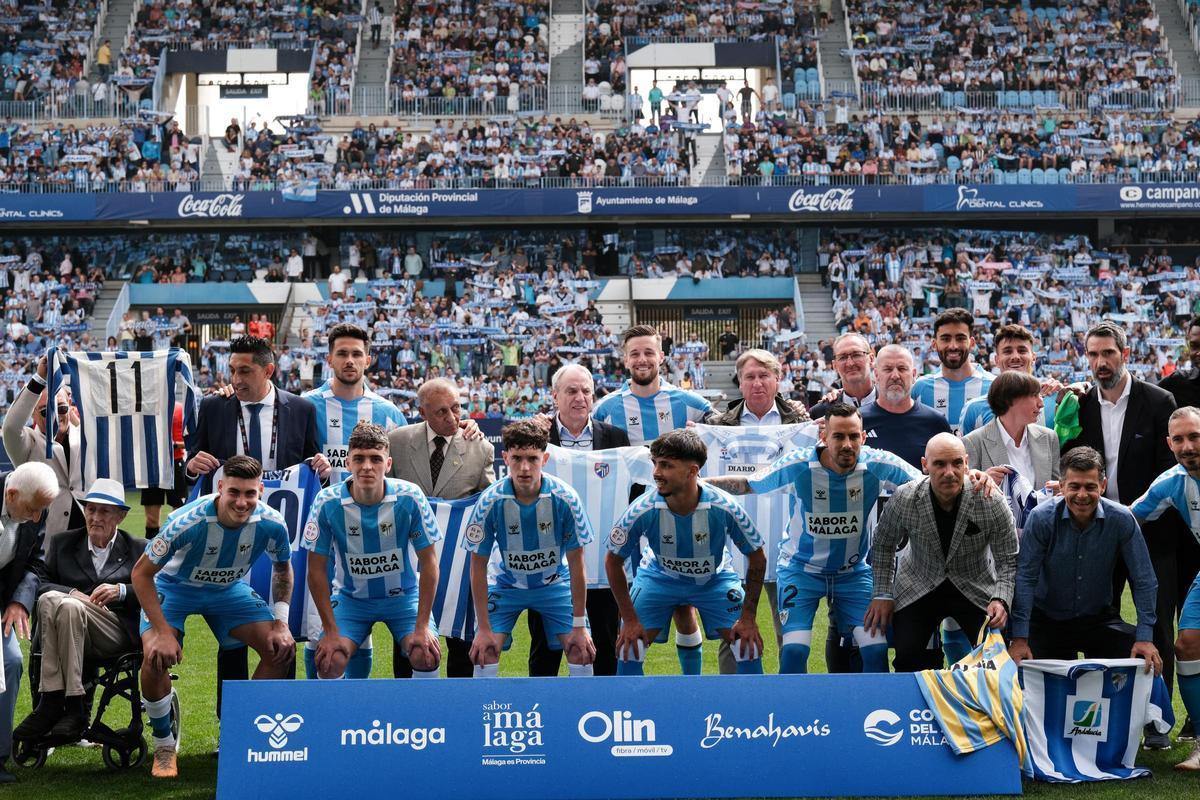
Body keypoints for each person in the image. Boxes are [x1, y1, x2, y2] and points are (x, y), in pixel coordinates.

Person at [706, 403, 921, 673]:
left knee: (876, 649)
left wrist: (971, 478)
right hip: (801, 570)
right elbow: (747, 485)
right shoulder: (798, 465)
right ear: (823, 437)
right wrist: (697, 484)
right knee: (795, 650)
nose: (847, 444)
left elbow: (925, 485)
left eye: (854, 436)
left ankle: (871, 712)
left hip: (852, 573)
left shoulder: (879, 464)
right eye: (838, 436)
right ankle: (791, 714)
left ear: (863, 438)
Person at [184, 335, 326, 725]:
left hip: (281, 535)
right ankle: (230, 727)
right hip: (228, 539)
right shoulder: (213, 407)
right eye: (231, 370)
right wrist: (191, 466)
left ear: (268, 370)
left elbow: (312, 464)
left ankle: (283, 715)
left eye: (244, 370)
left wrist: (322, 470)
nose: (236, 377)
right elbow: (190, 462)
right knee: (232, 631)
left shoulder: (301, 409)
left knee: (285, 624)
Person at [133, 455, 295, 779]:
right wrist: (163, 632)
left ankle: (237, 734)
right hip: (176, 589)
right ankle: (164, 745)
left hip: (226, 590)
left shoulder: (272, 522)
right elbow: (141, 574)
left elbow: (283, 569)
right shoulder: (187, 520)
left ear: (260, 490)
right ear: (220, 487)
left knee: (281, 650)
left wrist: (281, 621)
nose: (241, 501)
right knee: (155, 656)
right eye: (234, 492)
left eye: (250, 493)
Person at [1062, 322, 1180, 748]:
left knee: (1157, 625)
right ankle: (1108, 714)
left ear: (1124, 354)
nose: (1100, 363)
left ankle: (1156, 721)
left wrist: (1136, 517)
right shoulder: (1078, 403)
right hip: (1094, 535)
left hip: (1153, 534)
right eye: (1092, 355)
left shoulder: (1158, 400)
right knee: (1100, 619)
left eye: (1107, 353)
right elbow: (1067, 460)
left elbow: (1170, 472)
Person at [592, 324, 714, 673]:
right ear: (624, 360)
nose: (642, 359)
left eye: (649, 352)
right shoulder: (606, 408)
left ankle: (692, 684)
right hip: (631, 515)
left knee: (684, 603)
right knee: (629, 596)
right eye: (635, 353)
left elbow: (729, 431)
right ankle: (631, 685)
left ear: (661, 356)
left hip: (683, 513)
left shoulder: (690, 404)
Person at [606, 429, 767, 676]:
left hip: (713, 579)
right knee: (630, 647)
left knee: (747, 646)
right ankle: (631, 713)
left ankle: (753, 713)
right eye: (655, 463)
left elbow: (757, 557)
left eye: (666, 465)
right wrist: (629, 620)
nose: (656, 473)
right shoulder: (642, 509)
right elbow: (613, 561)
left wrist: (748, 617)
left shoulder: (724, 507)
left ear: (692, 471)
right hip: (659, 578)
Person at [300, 323, 408, 678]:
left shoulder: (388, 413)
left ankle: (355, 706)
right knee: (319, 630)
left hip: (377, 536)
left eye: (356, 354)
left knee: (359, 622)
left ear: (369, 359)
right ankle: (324, 705)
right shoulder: (305, 408)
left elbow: (403, 475)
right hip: (322, 532)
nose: (349, 360)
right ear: (329, 358)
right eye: (342, 353)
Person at [704, 349, 818, 674]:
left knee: (790, 635)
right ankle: (734, 700)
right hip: (735, 547)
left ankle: (791, 704)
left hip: (787, 546)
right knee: (734, 634)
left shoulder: (800, 424)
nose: (757, 383)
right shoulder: (717, 427)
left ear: (777, 380)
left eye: (764, 375)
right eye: (750, 377)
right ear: (739, 383)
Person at [866, 433, 1018, 672]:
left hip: (975, 585)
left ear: (967, 463)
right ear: (925, 465)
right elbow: (883, 544)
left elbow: (1008, 558)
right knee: (909, 657)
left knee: (996, 657)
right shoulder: (905, 497)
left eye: (957, 463)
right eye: (939, 464)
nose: (949, 472)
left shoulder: (990, 500)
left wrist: (1001, 598)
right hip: (918, 583)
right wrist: (883, 593)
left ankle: (984, 706)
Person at [304, 423, 442, 679]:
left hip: (403, 598)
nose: (367, 466)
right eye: (359, 459)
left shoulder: (409, 497)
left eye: (375, 459)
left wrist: (422, 626)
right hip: (351, 598)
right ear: (348, 462)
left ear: (388, 464)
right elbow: (315, 571)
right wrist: (330, 631)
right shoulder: (327, 502)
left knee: (426, 653)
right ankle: (338, 717)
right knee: (328, 659)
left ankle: (423, 717)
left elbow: (430, 563)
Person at [13, 478, 145, 742]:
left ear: (121, 515)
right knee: (60, 602)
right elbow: (40, 583)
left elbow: (159, 592)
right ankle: (69, 705)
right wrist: (72, 593)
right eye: (90, 509)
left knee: (59, 602)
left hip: (113, 633)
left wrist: (122, 591)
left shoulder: (138, 548)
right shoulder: (63, 542)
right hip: (68, 628)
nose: (95, 517)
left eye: (104, 511)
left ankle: (52, 702)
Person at [463, 421, 596, 677]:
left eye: (532, 459)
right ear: (505, 457)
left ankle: (579, 713)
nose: (525, 467)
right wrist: (482, 628)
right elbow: (477, 566)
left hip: (554, 584)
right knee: (484, 651)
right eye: (517, 458)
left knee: (581, 650)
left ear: (545, 458)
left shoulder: (566, 498)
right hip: (506, 585)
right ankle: (488, 714)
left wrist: (579, 625)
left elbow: (578, 563)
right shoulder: (490, 501)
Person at [1012, 447, 1160, 671]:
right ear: (1061, 486)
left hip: (1098, 619)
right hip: (1046, 619)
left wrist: (1145, 637)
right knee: (1021, 667)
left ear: (1103, 486)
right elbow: (1025, 577)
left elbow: (1144, 579)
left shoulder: (1121, 519)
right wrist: (1020, 637)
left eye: (1090, 487)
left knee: (1142, 657)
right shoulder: (1040, 518)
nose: (1082, 495)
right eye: (1074, 486)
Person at [389, 378, 495, 677]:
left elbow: (487, 504)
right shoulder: (397, 441)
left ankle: (456, 707)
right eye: (441, 412)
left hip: (459, 562)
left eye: (456, 408)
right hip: (410, 559)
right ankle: (410, 705)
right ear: (422, 412)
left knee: (459, 640)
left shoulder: (480, 448)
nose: (452, 418)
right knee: (411, 637)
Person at [527, 364, 629, 677]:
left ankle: (604, 712)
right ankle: (542, 715)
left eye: (586, 390)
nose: (580, 397)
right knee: (545, 651)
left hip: (601, 565)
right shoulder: (539, 438)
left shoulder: (615, 437)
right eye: (571, 391)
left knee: (604, 648)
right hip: (549, 568)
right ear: (554, 396)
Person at [0, 463, 56, 784]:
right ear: (11, 494)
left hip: (4, 599)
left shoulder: (36, 510)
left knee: (11, 661)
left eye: (42, 511)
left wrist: (20, 600)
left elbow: (36, 561)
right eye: (33, 510)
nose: (37, 518)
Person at [1, 356, 83, 536]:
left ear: (70, 405)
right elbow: (10, 428)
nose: (55, 416)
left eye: (60, 409)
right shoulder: (28, 442)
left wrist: (68, 411)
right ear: (32, 414)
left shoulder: (82, 436)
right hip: (47, 543)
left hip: (87, 541)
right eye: (47, 411)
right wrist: (39, 380)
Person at [963, 371, 1060, 490]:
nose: (1041, 403)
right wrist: (982, 483)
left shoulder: (1049, 437)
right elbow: (964, 496)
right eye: (1034, 395)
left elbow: (1057, 493)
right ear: (1009, 400)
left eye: (1040, 395)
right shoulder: (973, 442)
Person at [860, 344, 952, 468]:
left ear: (914, 375)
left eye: (902, 369)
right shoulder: (858, 420)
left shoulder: (935, 422)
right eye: (887, 369)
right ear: (876, 375)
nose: (895, 376)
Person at [960, 324, 1060, 434]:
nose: (1015, 357)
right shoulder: (974, 409)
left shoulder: (1056, 401)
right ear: (997, 360)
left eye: (1022, 351)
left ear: (1033, 357)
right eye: (1007, 351)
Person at [911, 308, 995, 434]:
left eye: (960, 338)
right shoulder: (919, 389)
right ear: (934, 344)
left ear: (972, 343)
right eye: (945, 339)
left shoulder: (994, 387)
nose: (953, 346)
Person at [809, 332, 877, 418]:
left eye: (856, 355)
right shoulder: (820, 413)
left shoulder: (893, 405)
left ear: (871, 359)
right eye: (842, 357)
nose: (850, 363)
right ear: (835, 365)